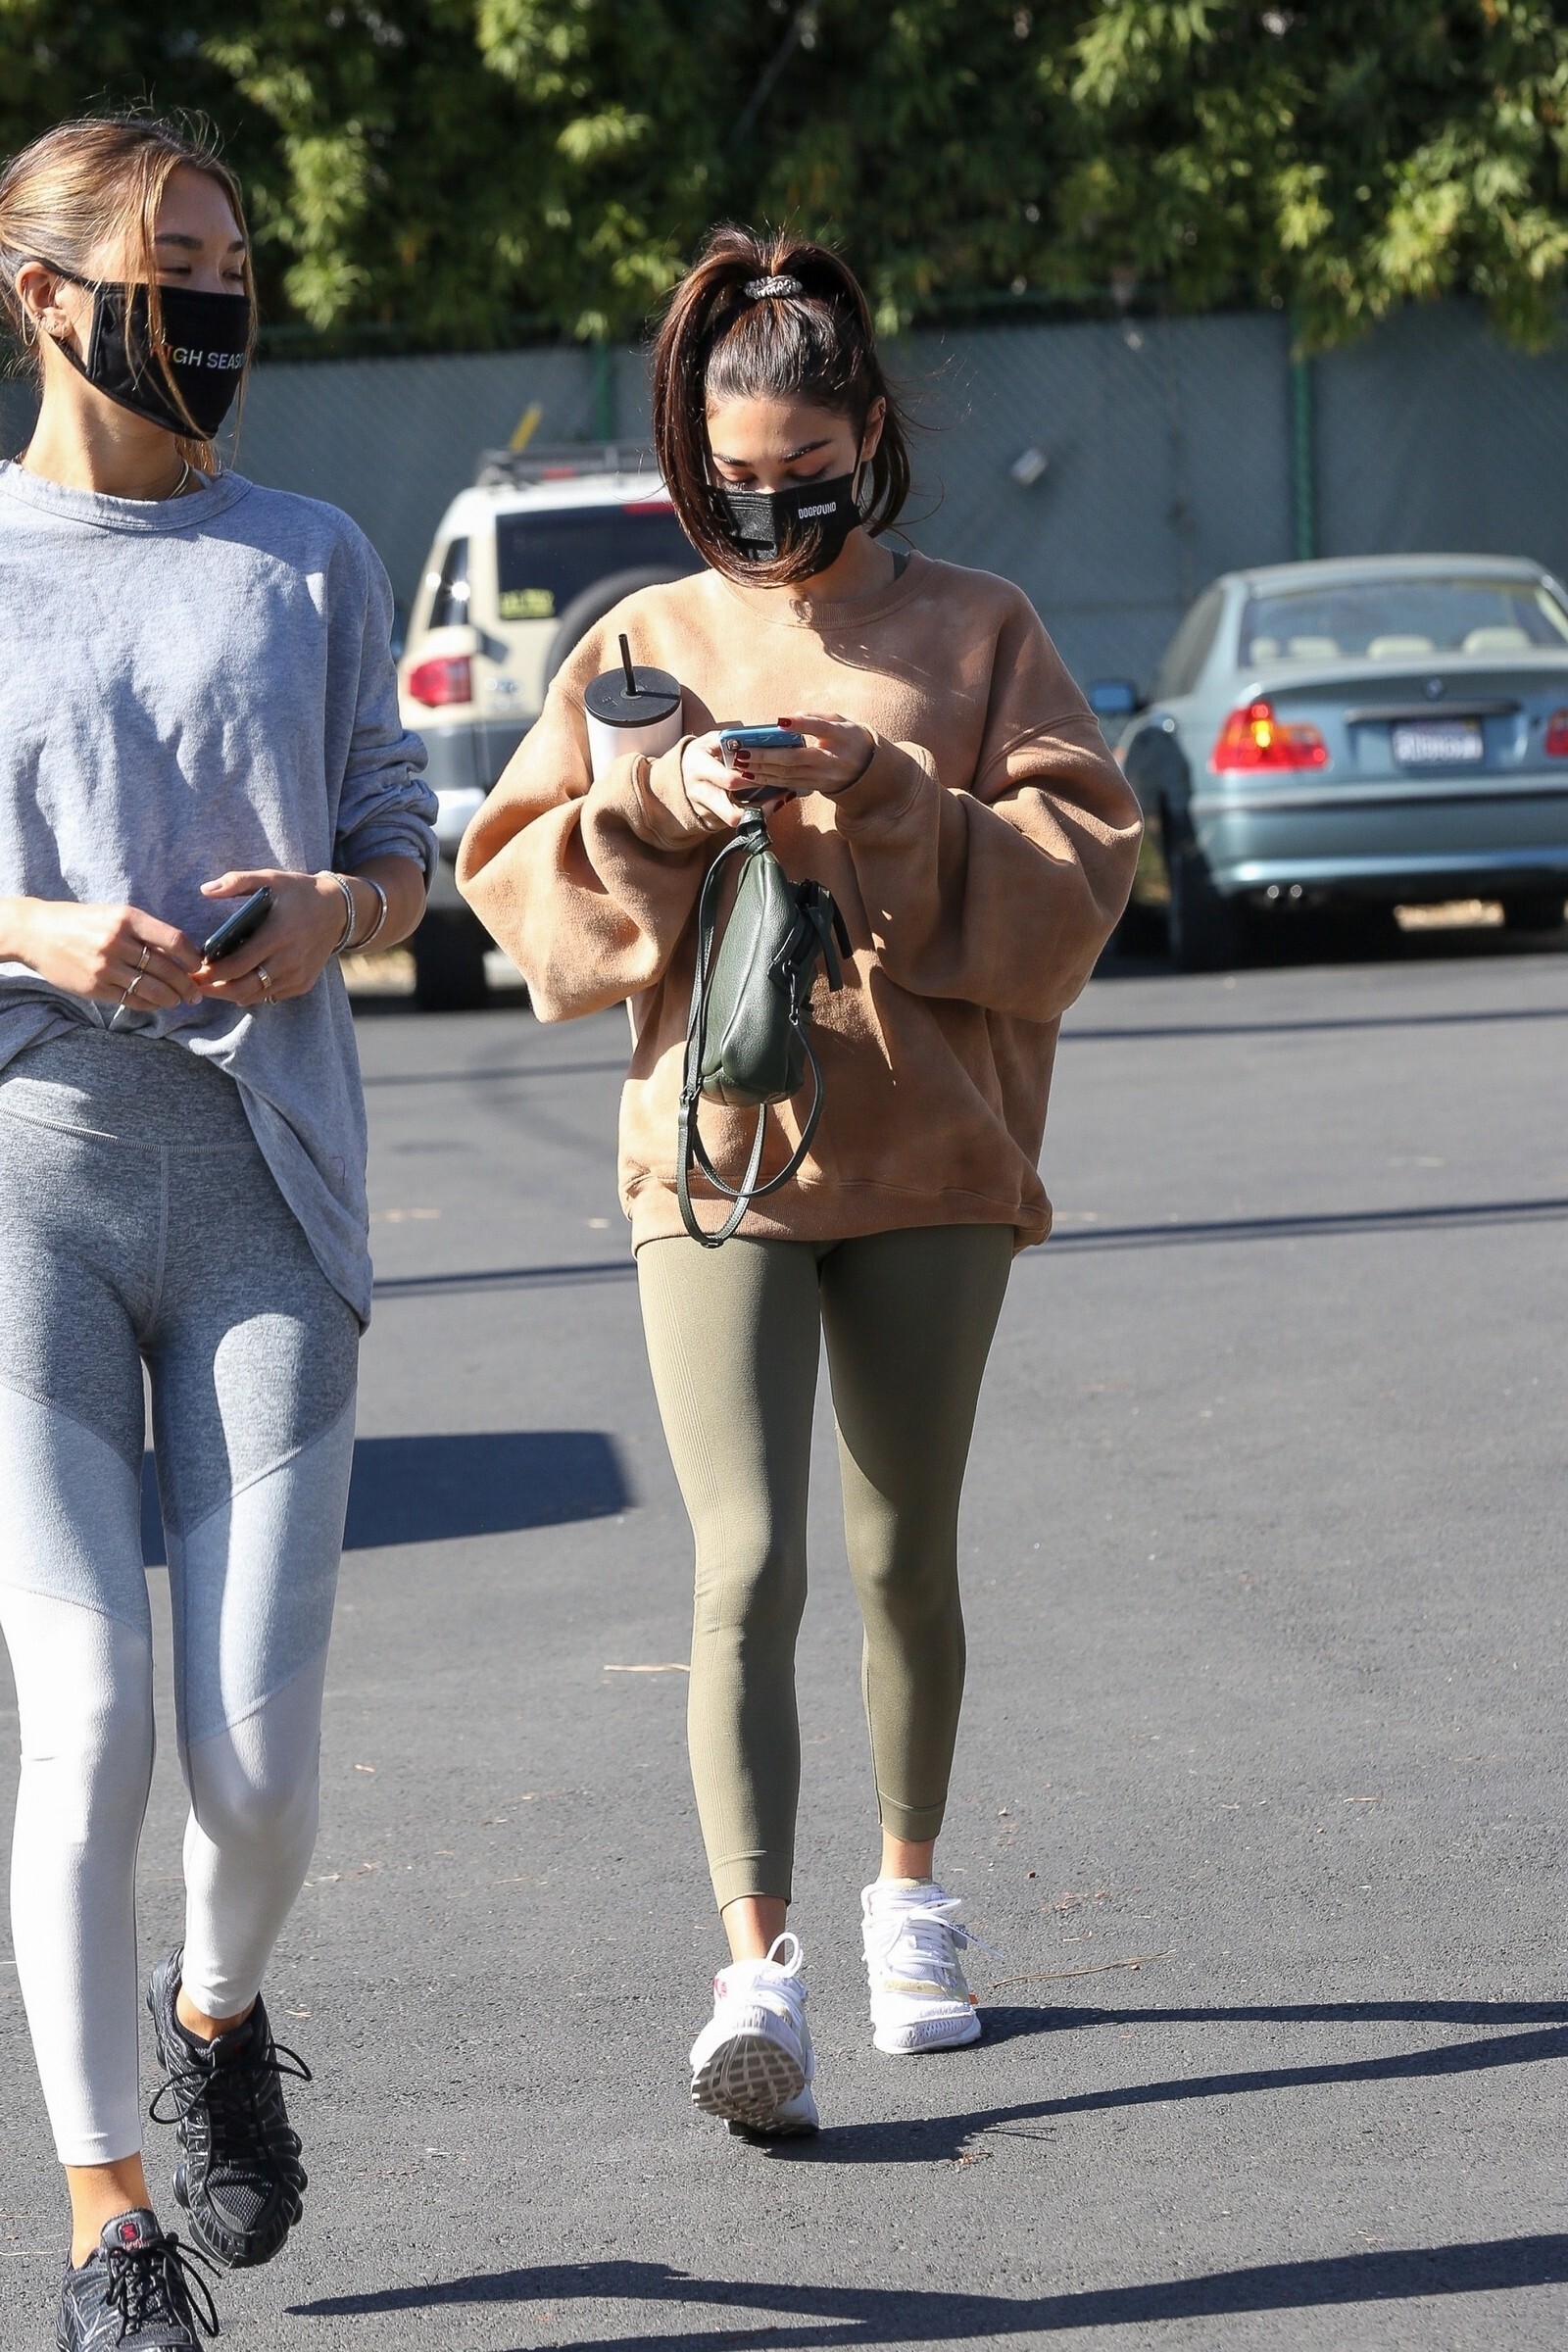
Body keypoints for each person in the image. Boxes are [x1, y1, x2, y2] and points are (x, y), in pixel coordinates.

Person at [459, 226, 1140, 2138]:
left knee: (900, 1551)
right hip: (713, 1157)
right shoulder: (640, 643)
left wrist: (889, 791)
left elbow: (1078, 886)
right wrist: (659, 805)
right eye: (732, 478)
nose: (770, 511)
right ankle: (752, 1976)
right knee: (743, 1559)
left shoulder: (980, 630)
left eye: (804, 470)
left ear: (870, 440)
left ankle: (907, 1905)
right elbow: (526, 901)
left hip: (932, 1150)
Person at [0, 115, 435, 2347]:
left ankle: (217, 2013)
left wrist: (337, 909)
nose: (215, 297)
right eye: (170, 259)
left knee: (253, 1769)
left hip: (271, 1188)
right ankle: (106, 2227)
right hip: (32, 1200)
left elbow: (401, 836)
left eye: (235, 261)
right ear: (42, 294)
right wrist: (34, 930)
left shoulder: (310, 557)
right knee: (85, 1718)